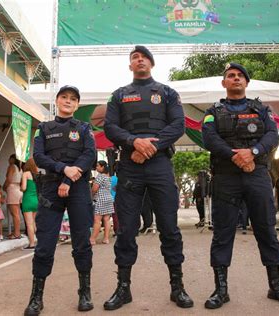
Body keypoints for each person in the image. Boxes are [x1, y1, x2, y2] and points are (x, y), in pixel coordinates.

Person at [201, 63, 279, 309]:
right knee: (223, 232)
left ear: (246, 83)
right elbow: (209, 138)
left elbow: (272, 136)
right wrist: (236, 156)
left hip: (257, 175)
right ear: (224, 83)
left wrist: (252, 153)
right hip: (225, 176)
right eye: (230, 76)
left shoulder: (262, 110)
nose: (235, 78)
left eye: (240, 76)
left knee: (266, 229)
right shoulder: (213, 111)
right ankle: (221, 290)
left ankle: (276, 286)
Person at [103, 45, 193, 310]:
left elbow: (178, 125)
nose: (139, 60)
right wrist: (134, 141)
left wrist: (149, 147)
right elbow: (110, 127)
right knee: (126, 229)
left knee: (169, 227)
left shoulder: (167, 92)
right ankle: (123, 288)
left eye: (143, 57)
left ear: (151, 63)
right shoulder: (119, 95)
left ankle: (178, 287)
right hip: (130, 166)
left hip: (160, 165)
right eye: (134, 58)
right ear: (130, 66)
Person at [24, 85, 96, 315]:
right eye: (64, 97)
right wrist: (64, 169)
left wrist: (71, 177)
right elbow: (38, 157)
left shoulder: (84, 128)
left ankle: (84, 292)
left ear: (77, 105)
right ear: (56, 101)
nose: (68, 101)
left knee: (82, 243)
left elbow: (89, 155)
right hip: (50, 188)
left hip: (78, 189)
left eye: (73, 99)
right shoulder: (43, 128)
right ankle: (36, 297)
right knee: (44, 244)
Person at [90, 160, 114, 245]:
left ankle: (92, 239)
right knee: (107, 220)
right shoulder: (108, 177)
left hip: (100, 199)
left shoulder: (100, 177)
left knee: (97, 220)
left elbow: (94, 189)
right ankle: (106, 238)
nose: (96, 168)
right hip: (109, 198)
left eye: (97, 166)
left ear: (102, 167)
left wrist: (91, 194)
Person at [21, 158, 39, 249]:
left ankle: (31, 244)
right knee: (35, 223)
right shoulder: (37, 175)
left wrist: (20, 188)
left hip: (27, 200)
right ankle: (39, 242)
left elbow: (24, 188)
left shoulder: (25, 174)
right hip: (36, 200)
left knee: (29, 224)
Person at [4, 154, 22, 239]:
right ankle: (16, 232)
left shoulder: (12, 167)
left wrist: (4, 186)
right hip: (18, 189)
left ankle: (17, 233)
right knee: (16, 213)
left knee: (15, 214)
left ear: (13, 159)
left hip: (12, 189)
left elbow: (9, 179)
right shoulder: (20, 168)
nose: (8, 160)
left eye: (9, 158)